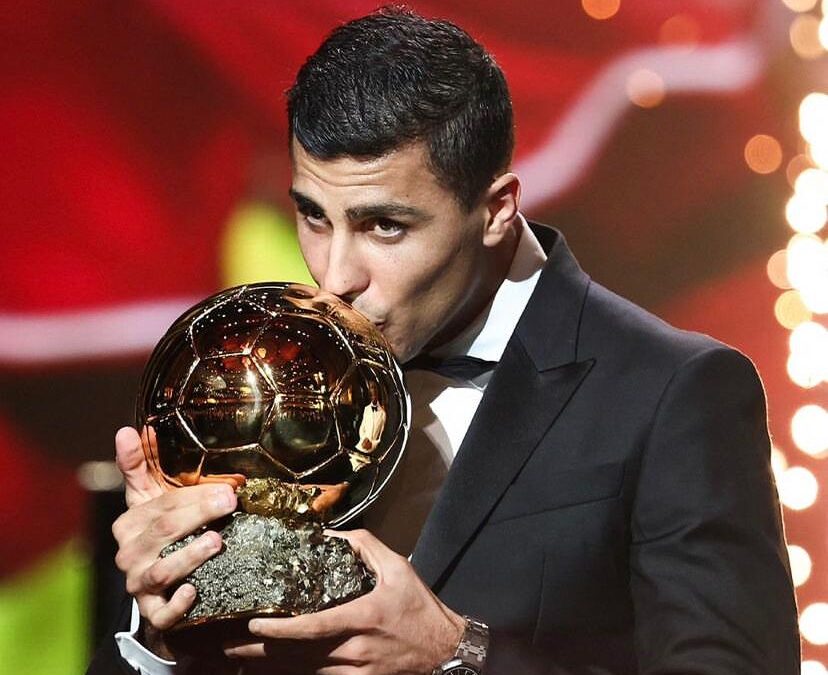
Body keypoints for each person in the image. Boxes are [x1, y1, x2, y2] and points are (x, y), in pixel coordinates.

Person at [88, 8, 800, 675]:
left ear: (496, 211)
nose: (334, 277)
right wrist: (160, 638)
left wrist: (457, 654)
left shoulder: (675, 394)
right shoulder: (262, 388)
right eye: (314, 216)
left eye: (384, 226)